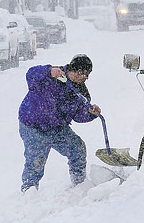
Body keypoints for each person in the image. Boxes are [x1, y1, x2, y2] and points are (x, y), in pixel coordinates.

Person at [18, 54, 101, 192]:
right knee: (36, 161)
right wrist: (48, 71)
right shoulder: (53, 74)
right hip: (33, 125)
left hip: (57, 128)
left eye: (86, 75)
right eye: (80, 73)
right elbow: (30, 75)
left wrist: (90, 114)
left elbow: (78, 115)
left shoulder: (81, 92)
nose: (82, 78)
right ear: (73, 68)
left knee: (78, 149)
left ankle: (79, 185)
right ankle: (29, 192)